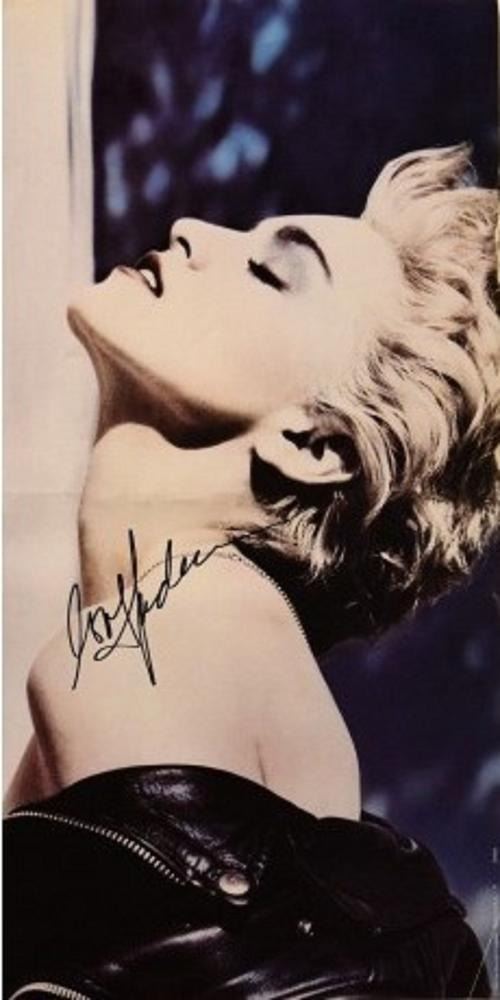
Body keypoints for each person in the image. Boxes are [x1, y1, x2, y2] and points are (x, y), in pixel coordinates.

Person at [4, 145, 498, 998]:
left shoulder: (153, 650)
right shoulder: (235, 660)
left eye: (274, 274)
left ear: (313, 443)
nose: (192, 230)